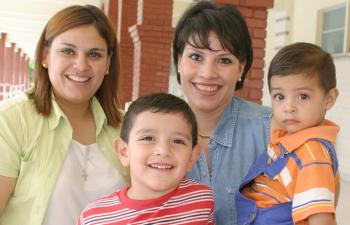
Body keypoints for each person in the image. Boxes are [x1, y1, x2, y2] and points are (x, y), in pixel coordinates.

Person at [0, 5, 129, 225]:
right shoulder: (11, 120)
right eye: (68, 51)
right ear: (45, 56)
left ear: (108, 63)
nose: (81, 65)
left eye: (94, 54)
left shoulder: (128, 126)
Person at [173, 1, 272, 224]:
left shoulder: (271, 129)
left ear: (240, 69)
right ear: (179, 61)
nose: (208, 73)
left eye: (224, 60)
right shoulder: (151, 130)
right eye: (196, 57)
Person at [235, 42, 340, 225]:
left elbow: (321, 218)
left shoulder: (311, 152)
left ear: (328, 99)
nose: (288, 108)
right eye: (279, 96)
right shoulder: (289, 140)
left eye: (303, 96)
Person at [77, 93, 215, 225]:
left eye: (178, 141)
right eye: (148, 138)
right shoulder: (94, 218)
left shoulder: (202, 199)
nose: (163, 151)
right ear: (124, 152)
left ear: (192, 156)